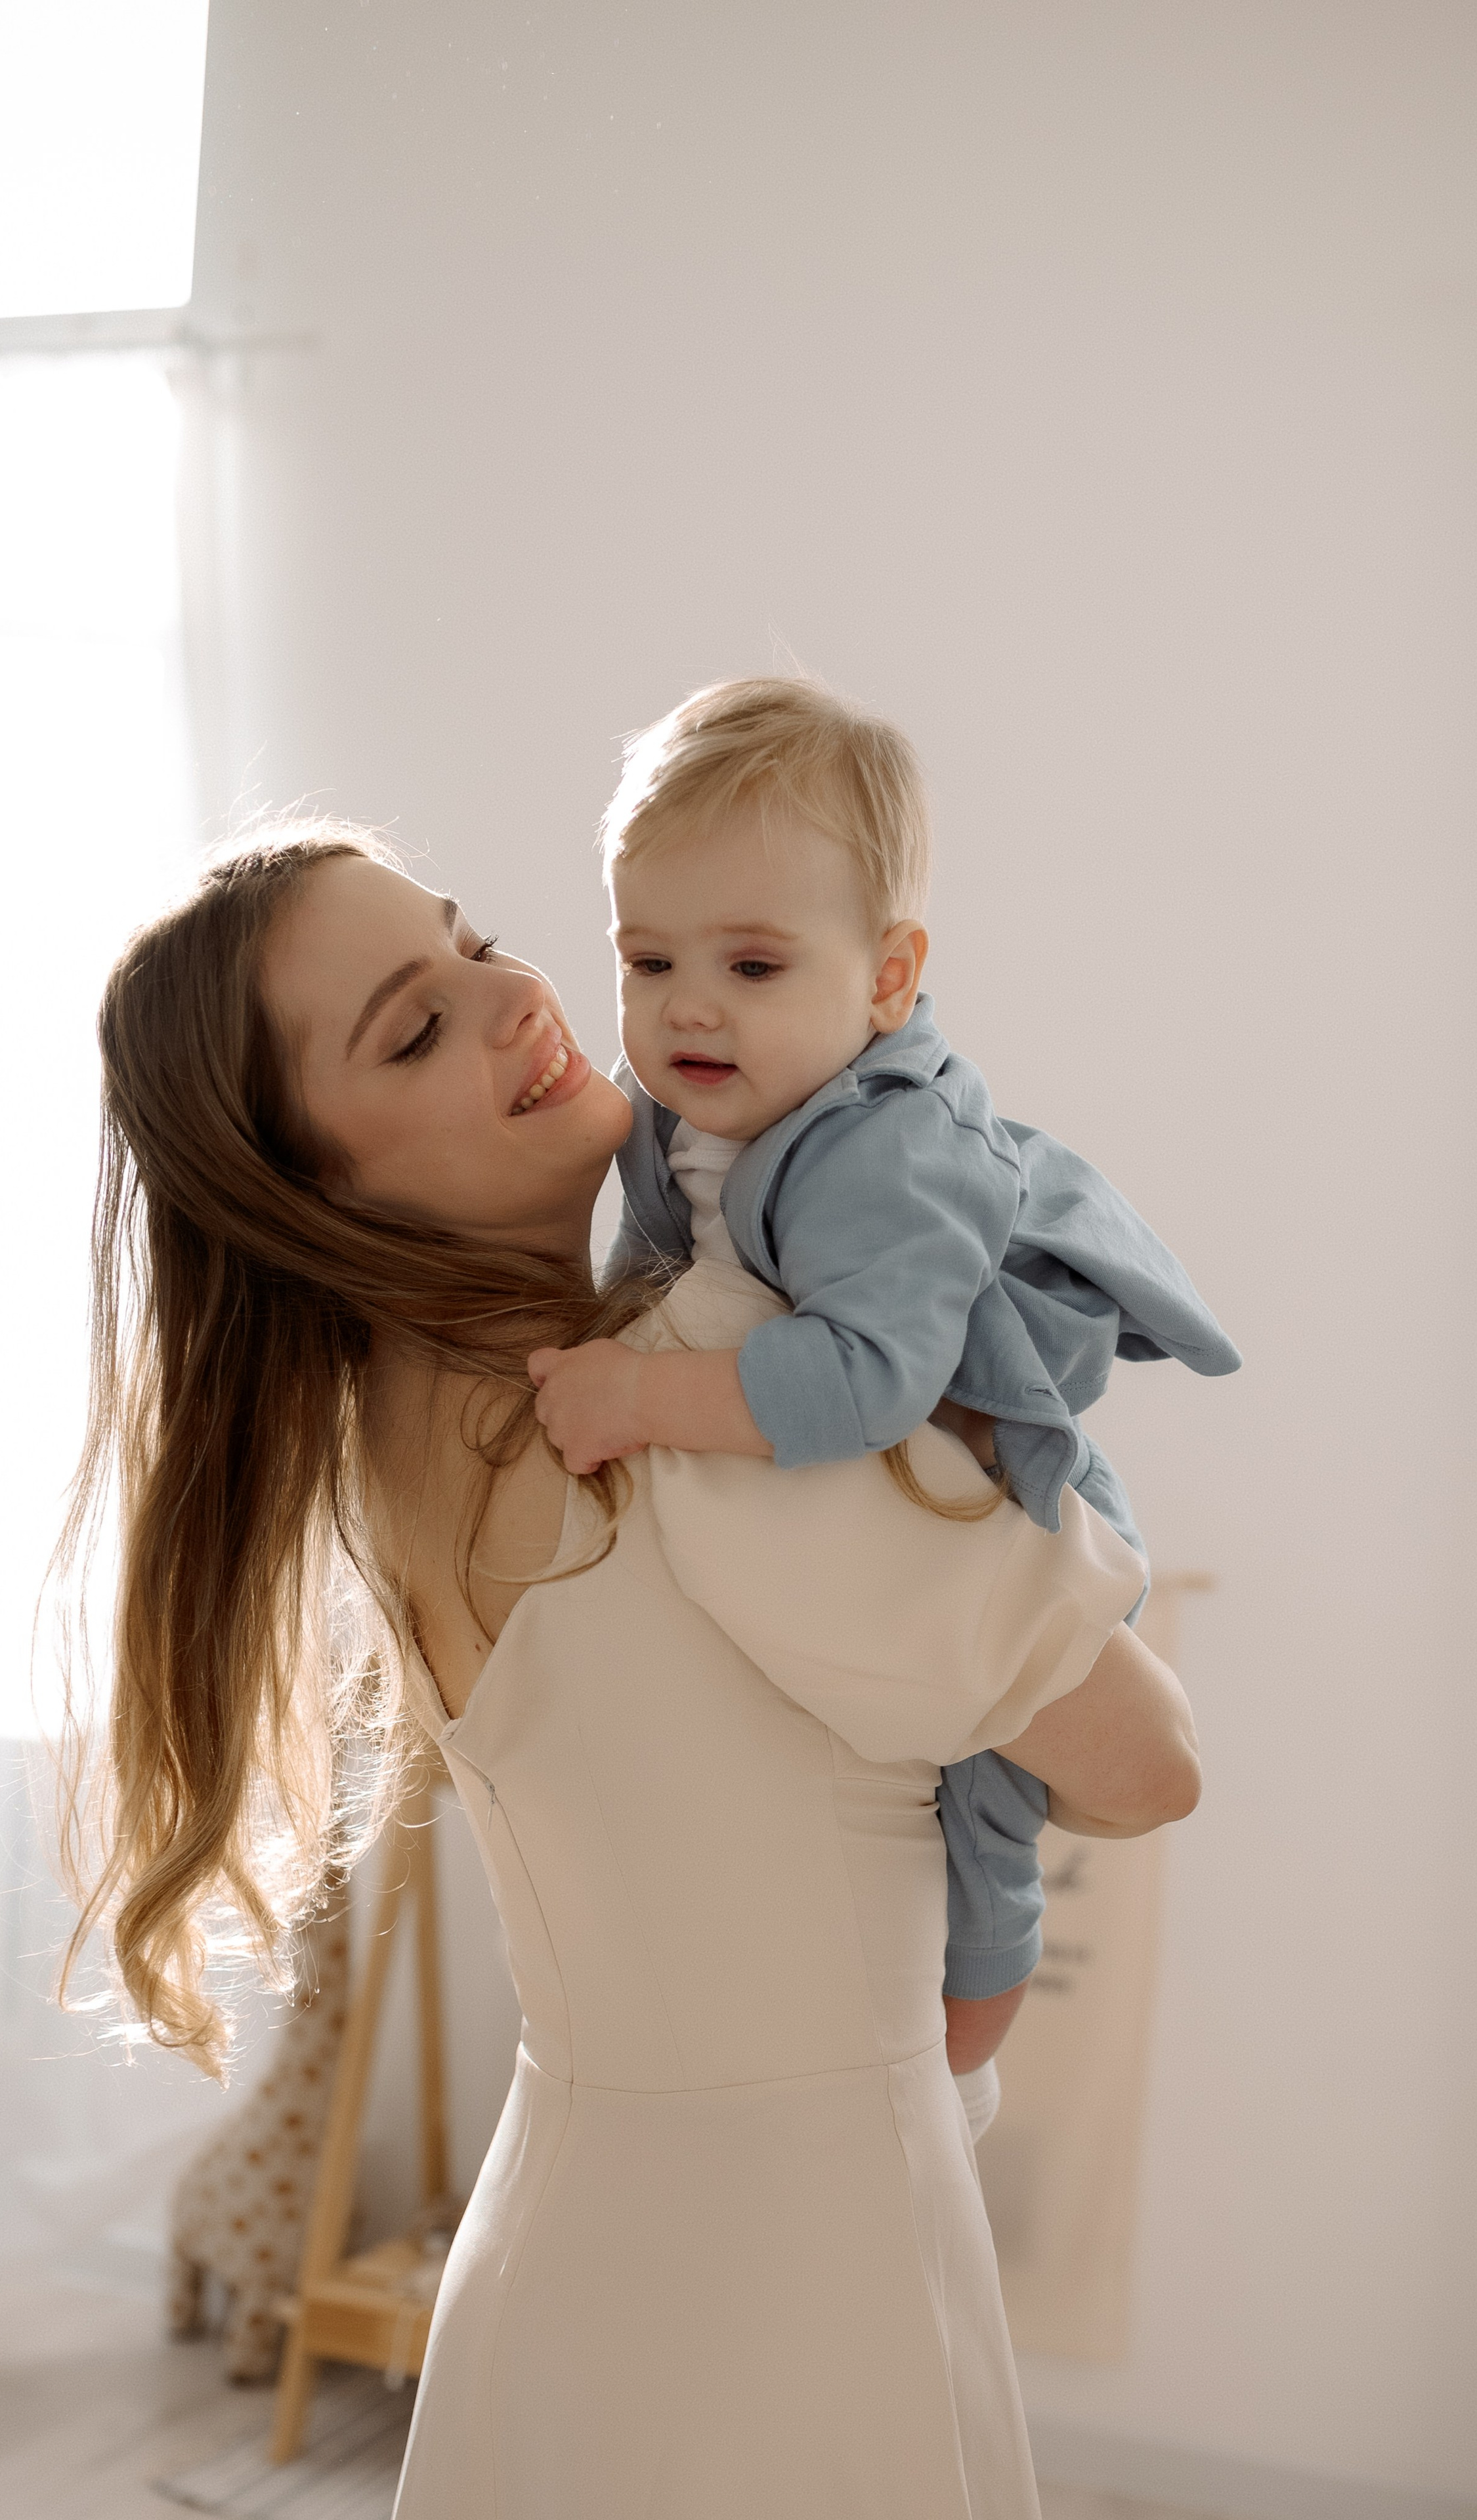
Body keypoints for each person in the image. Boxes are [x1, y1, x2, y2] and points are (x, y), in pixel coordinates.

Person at [60, 822, 1201, 2519]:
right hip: (792, 2291)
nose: (511, 998)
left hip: (567, 2261)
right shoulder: (686, 1402)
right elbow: (1145, 1764)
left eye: (471, 943)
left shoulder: (381, 1468)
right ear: (303, 1190)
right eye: (414, 1029)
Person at [528, 677, 1237, 2129]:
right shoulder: (678, 1103)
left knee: (979, 1800)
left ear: (888, 979)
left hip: (1007, 1483)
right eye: (647, 958)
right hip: (862, 1516)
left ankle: (966, 2054)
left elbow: (869, 1379)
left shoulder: (891, 1149)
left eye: (753, 963)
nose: (688, 1005)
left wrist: (642, 1398)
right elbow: (657, 1266)